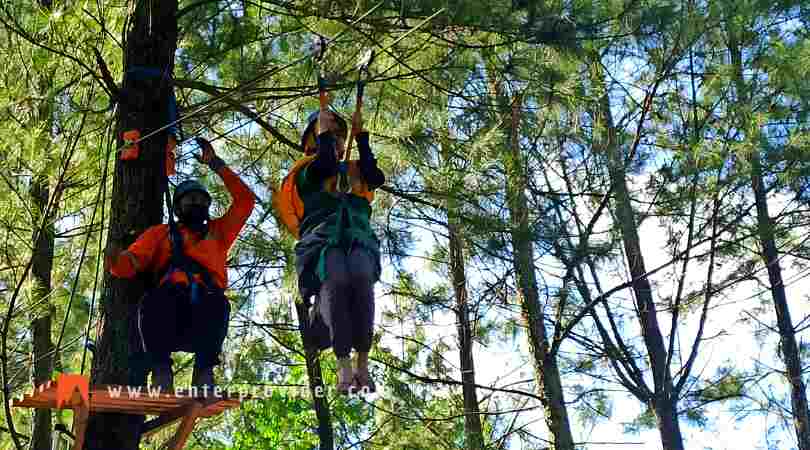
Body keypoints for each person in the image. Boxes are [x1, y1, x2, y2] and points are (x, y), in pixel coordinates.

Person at [105, 137, 255, 391]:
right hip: (169, 315)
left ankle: (204, 374)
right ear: (177, 208)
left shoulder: (218, 233)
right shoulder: (160, 234)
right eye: (189, 200)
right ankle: (161, 373)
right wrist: (114, 259)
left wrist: (215, 163)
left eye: (201, 200)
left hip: (203, 317)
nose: (196, 204)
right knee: (152, 303)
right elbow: (128, 264)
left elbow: (245, 201)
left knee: (218, 304)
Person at [275, 107, 385, 394]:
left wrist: (361, 138)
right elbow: (323, 166)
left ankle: (362, 362)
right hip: (322, 240)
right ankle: (344, 366)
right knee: (336, 278)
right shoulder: (305, 171)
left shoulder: (353, 170)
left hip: (357, 235)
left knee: (361, 275)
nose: (335, 139)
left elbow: (375, 177)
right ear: (314, 139)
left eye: (339, 135)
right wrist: (323, 134)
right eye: (329, 133)